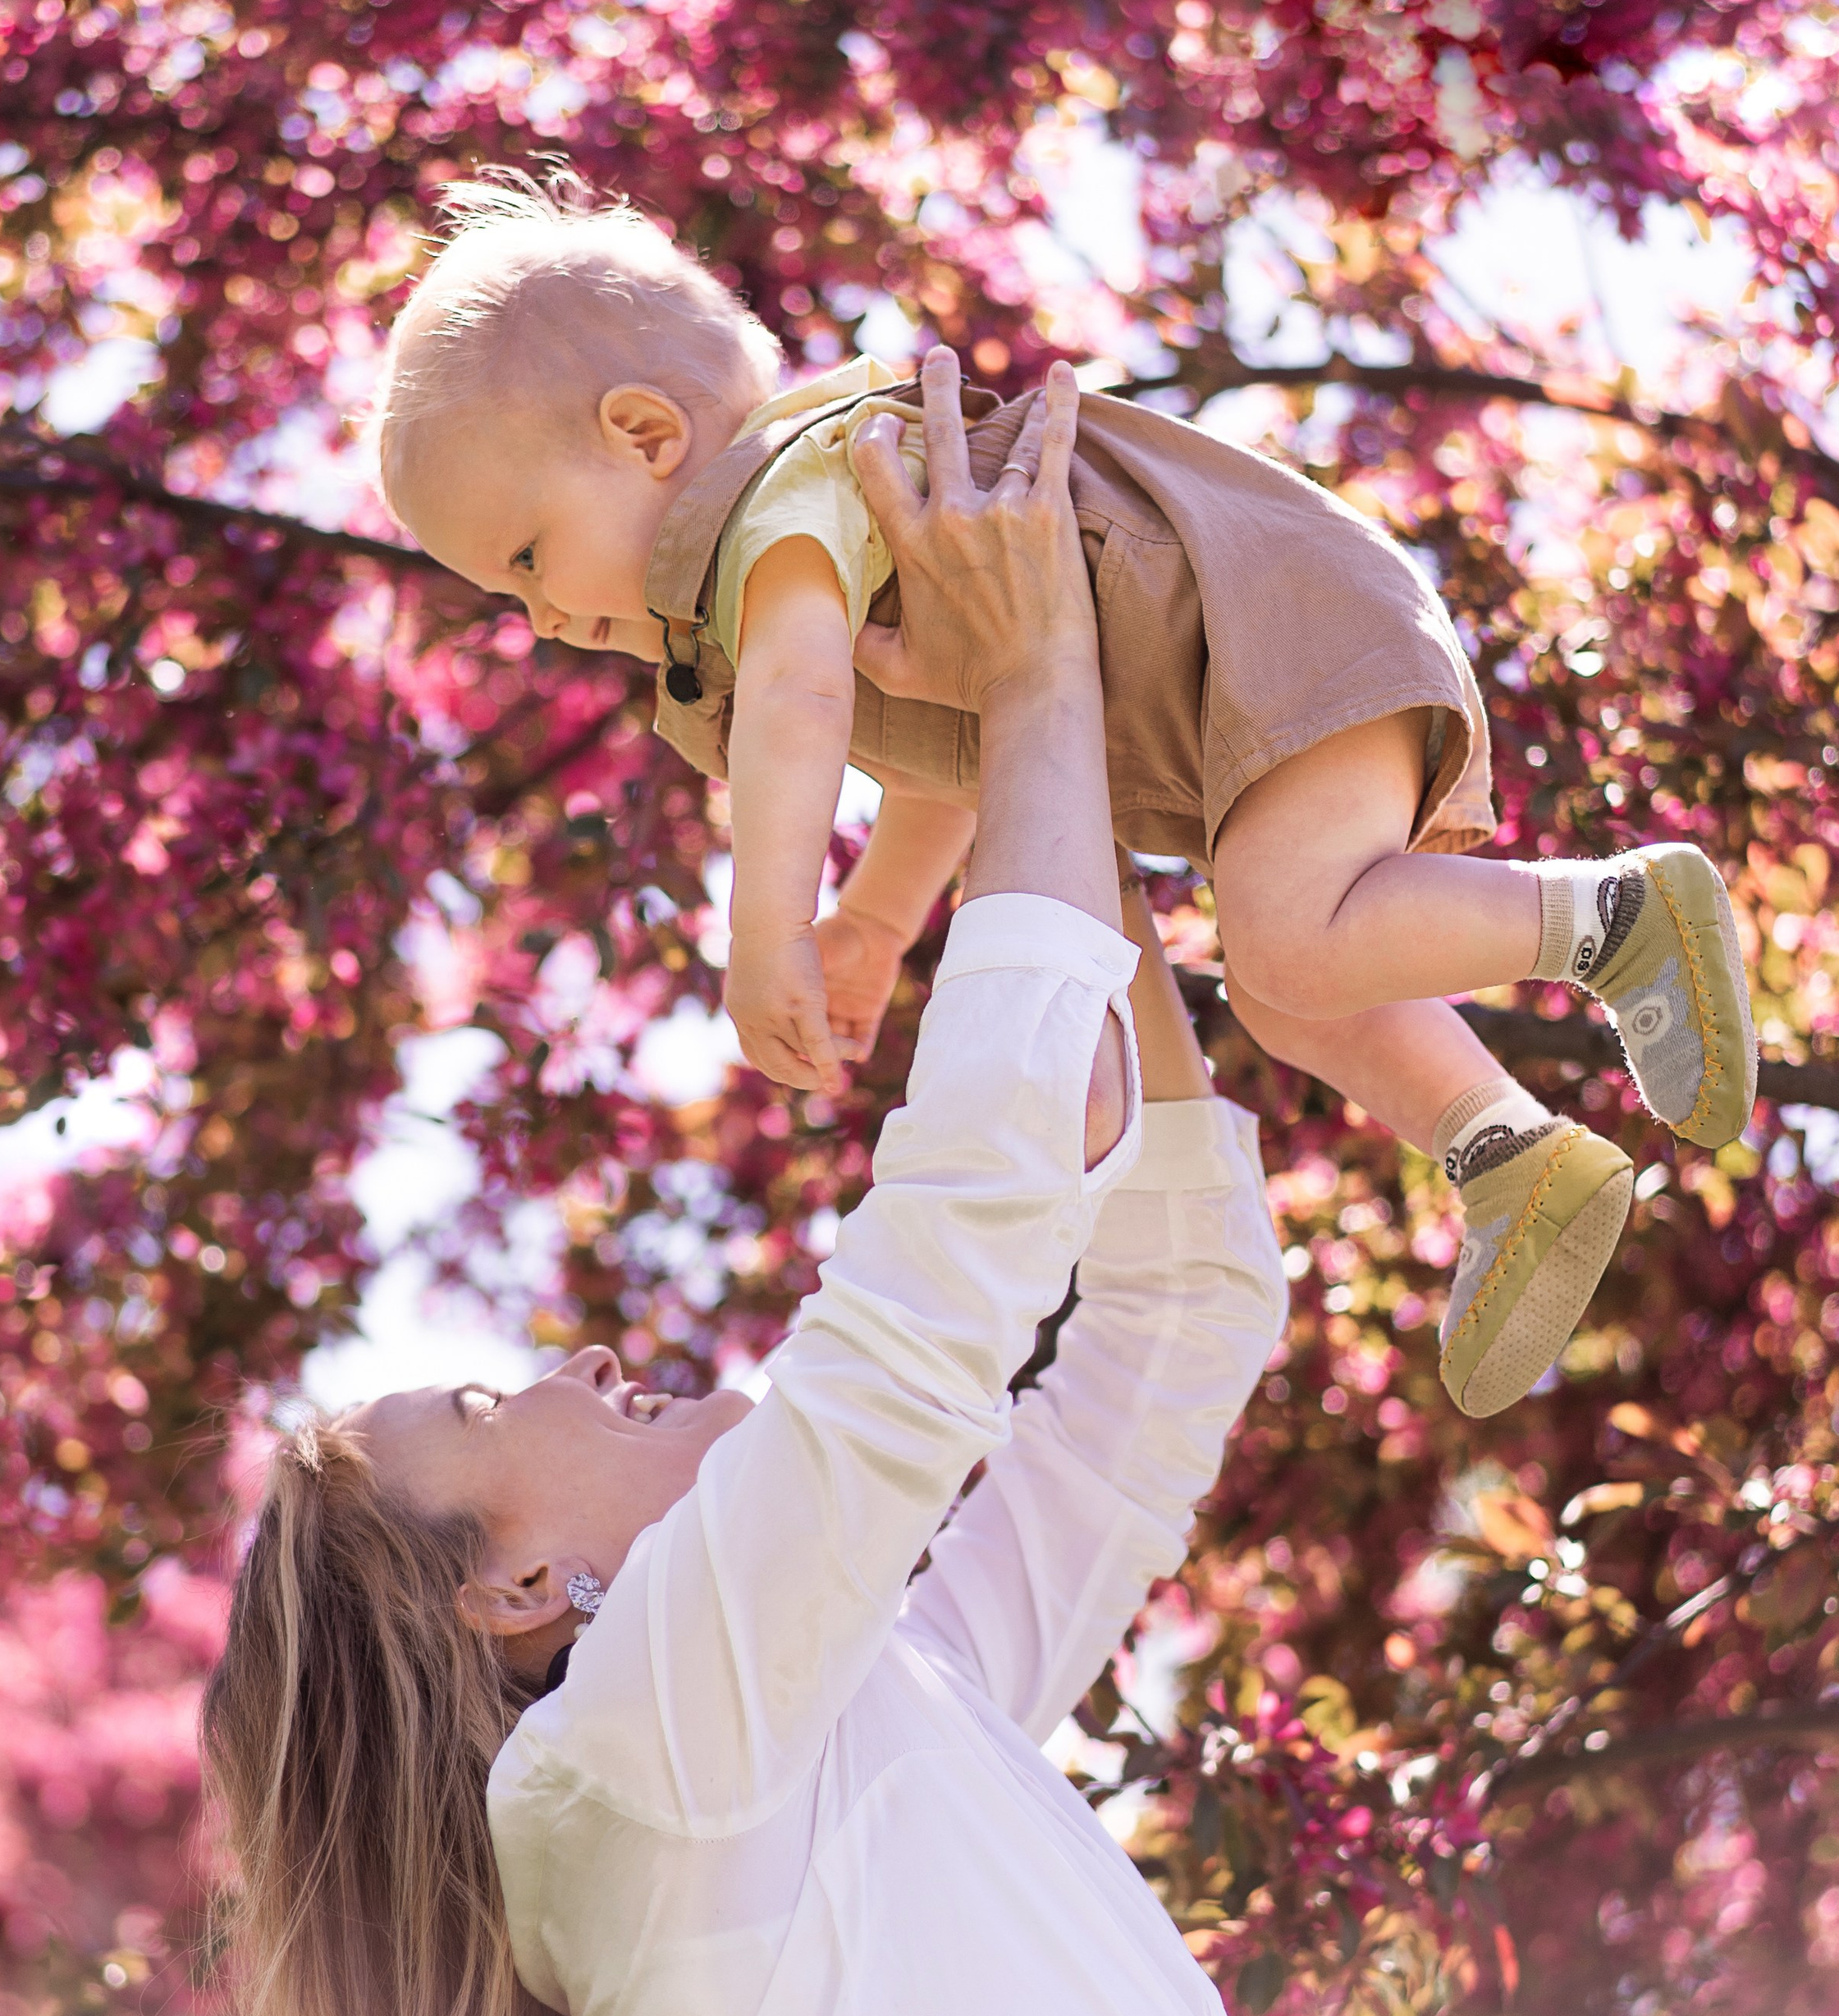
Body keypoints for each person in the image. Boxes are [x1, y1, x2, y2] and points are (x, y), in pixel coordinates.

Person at [203, 359, 1304, 2016]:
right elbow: (937, 1292)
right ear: (516, 1604)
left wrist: (1084, 785)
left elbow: (1168, 1322)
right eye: (499, 1418)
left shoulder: (874, 1707)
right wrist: (1017, 693)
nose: (587, 1356)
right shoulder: (625, 1773)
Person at [373, 172, 1756, 1421]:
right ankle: (1507, 1147)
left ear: (644, 434)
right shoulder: (807, 560)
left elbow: (798, 717)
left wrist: (770, 932)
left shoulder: (785, 507)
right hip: (1241, 686)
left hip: (1262, 624)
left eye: (529, 558)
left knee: (1287, 936)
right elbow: (957, 757)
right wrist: (871, 916)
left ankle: (1619, 916)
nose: (544, 619)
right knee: (1286, 982)